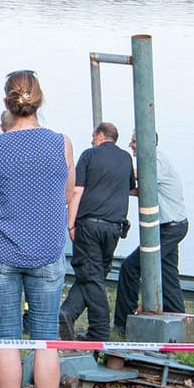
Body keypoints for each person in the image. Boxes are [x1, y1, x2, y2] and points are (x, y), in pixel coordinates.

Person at [0, 70, 76, 388]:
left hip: (2, 250)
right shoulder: (60, 143)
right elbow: (67, 193)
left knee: (6, 337)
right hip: (48, 250)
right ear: (40, 101)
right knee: (45, 337)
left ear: (7, 103)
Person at [59, 121, 134, 341]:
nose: (92, 139)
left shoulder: (89, 155)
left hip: (89, 224)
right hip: (114, 228)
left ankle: (99, 332)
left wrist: (70, 223)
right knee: (95, 273)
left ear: (100, 135)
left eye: (94, 136)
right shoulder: (126, 159)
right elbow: (129, 187)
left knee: (90, 275)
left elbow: (77, 192)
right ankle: (67, 313)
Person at [113, 135, 190, 332]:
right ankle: (178, 318)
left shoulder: (155, 161)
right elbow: (139, 190)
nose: (130, 145)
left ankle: (123, 324)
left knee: (130, 268)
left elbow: (136, 177)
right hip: (170, 225)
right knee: (167, 274)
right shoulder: (154, 160)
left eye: (134, 141)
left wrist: (110, 168)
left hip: (169, 228)